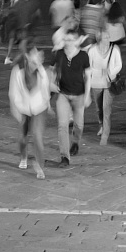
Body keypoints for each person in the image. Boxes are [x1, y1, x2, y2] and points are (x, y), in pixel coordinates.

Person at [9, 44, 50, 179]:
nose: (35, 63)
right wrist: (15, 109)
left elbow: (46, 90)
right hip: (23, 108)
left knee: (37, 137)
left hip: (39, 108)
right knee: (22, 137)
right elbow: (13, 92)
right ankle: (23, 156)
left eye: (38, 61)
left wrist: (48, 105)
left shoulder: (42, 72)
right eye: (33, 60)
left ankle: (40, 167)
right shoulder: (17, 71)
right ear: (27, 58)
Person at [52, 27, 91, 165]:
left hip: (79, 94)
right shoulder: (59, 54)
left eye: (71, 40)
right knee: (62, 125)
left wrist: (87, 95)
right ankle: (64, 156)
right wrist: (52, 83)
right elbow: (52, 70)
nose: (68, 42)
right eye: (66, 40)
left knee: (79, 125)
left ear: (76, 41)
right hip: (63, 93)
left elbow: (87, 76)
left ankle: (75, 142)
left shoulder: (83, 56)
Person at [87, 29, 122, 145]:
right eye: (106, 37)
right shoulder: (92, 50)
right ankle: (101, 125)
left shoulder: (114, 49)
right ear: (99, 39)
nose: (108, 39)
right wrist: (99, 71)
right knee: (99, 108)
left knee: (107, 109)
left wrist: (110, 73)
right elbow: (88, 67)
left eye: (108, 37)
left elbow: (119, 65)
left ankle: (105, 135)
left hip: (109, 83)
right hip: (96, 83)